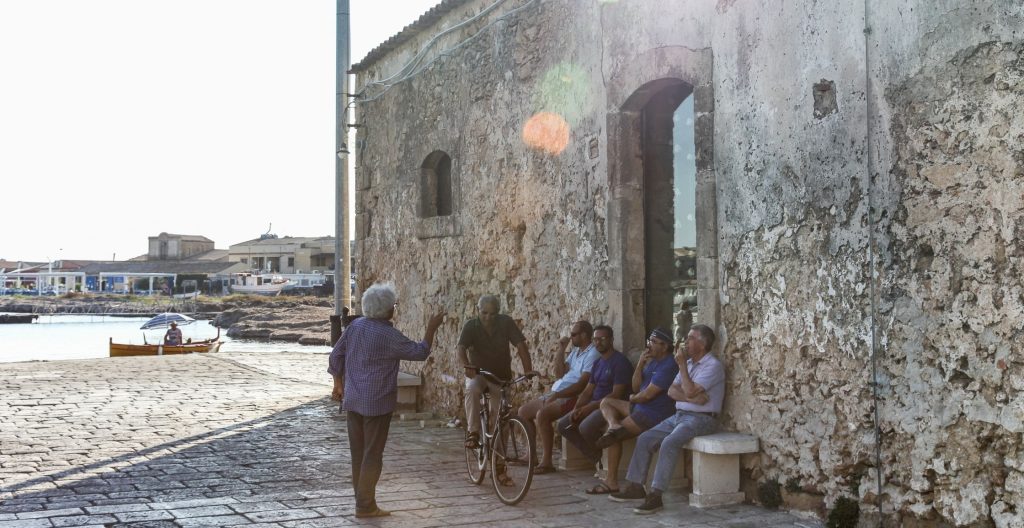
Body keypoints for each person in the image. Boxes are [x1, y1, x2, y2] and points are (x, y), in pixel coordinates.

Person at [327, 283, 445, 519]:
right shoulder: (389, 335)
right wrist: (432, 328)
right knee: (373, 454)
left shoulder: (355, 326)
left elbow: (335, 355)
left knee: (358, 454)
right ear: (387, 310)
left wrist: (338, 384)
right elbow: (419, 352)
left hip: (353, 399)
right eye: (394, 305)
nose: (395, 308)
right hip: (377, 402)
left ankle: (362, 502)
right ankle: (366, 506)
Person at [615, 324, 725, 514]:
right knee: (645, 438)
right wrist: (694, 398)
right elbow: (671, 391)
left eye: (690, 338)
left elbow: (688, 389)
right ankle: (635, 486)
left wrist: (682, 369)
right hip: (680, 415)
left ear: (702, 343)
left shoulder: (712, 366)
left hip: (702, 418)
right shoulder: (689, 364)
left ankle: (656, 495)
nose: (685, 341)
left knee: (669, 442)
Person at [593, 327, 679, 501]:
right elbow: (635, 387)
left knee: (612, 437)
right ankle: (614, 425)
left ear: (665, 346)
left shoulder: (669, 365)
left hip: (654, 413)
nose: (649, 345)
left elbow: (647, 395)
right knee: (606, 402)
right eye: (649, 341)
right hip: (641, 407)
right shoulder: (652, 361)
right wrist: (640, 364)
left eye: (654, 342)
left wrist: (632, 399)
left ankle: (613, 482)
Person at [556, 325, 632, 494]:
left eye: (602, 339)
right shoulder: (598, 363)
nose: (598, 342)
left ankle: (603, 462)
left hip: (611, 406)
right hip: (594, 405)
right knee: (563, 425)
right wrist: (577, 408)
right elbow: (588, 390)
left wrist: (589, 407)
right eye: (596, 339)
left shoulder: (620, 362)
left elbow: (616, 394)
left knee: (586, 426)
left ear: (611, 340)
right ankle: (597, 459)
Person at [458, 294, 536, 453]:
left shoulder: (505, 323)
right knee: (472, 388)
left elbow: (520, 346)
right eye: (484, 313)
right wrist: (467, 366)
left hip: (500, 377)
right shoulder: (471, 326)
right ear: (477, 310)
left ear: (498, 312)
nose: (488, 317)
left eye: (493, 313)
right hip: (478, 374)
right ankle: (473, 432)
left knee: (501, 418)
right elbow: (460, 349)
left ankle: (499, 459)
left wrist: (527, 369)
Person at [518, 320, 598, 474]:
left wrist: (559, 395)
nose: (571, 337)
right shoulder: (576, 351)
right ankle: (531, 455)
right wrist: (561, 349)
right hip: (557, 392)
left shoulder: (592, 354)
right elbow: (559, 373)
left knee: (543, 415)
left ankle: (547, 462)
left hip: (572, 396)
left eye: (573, 334)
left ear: (584, 335)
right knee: (523, 412)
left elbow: (582, 385)